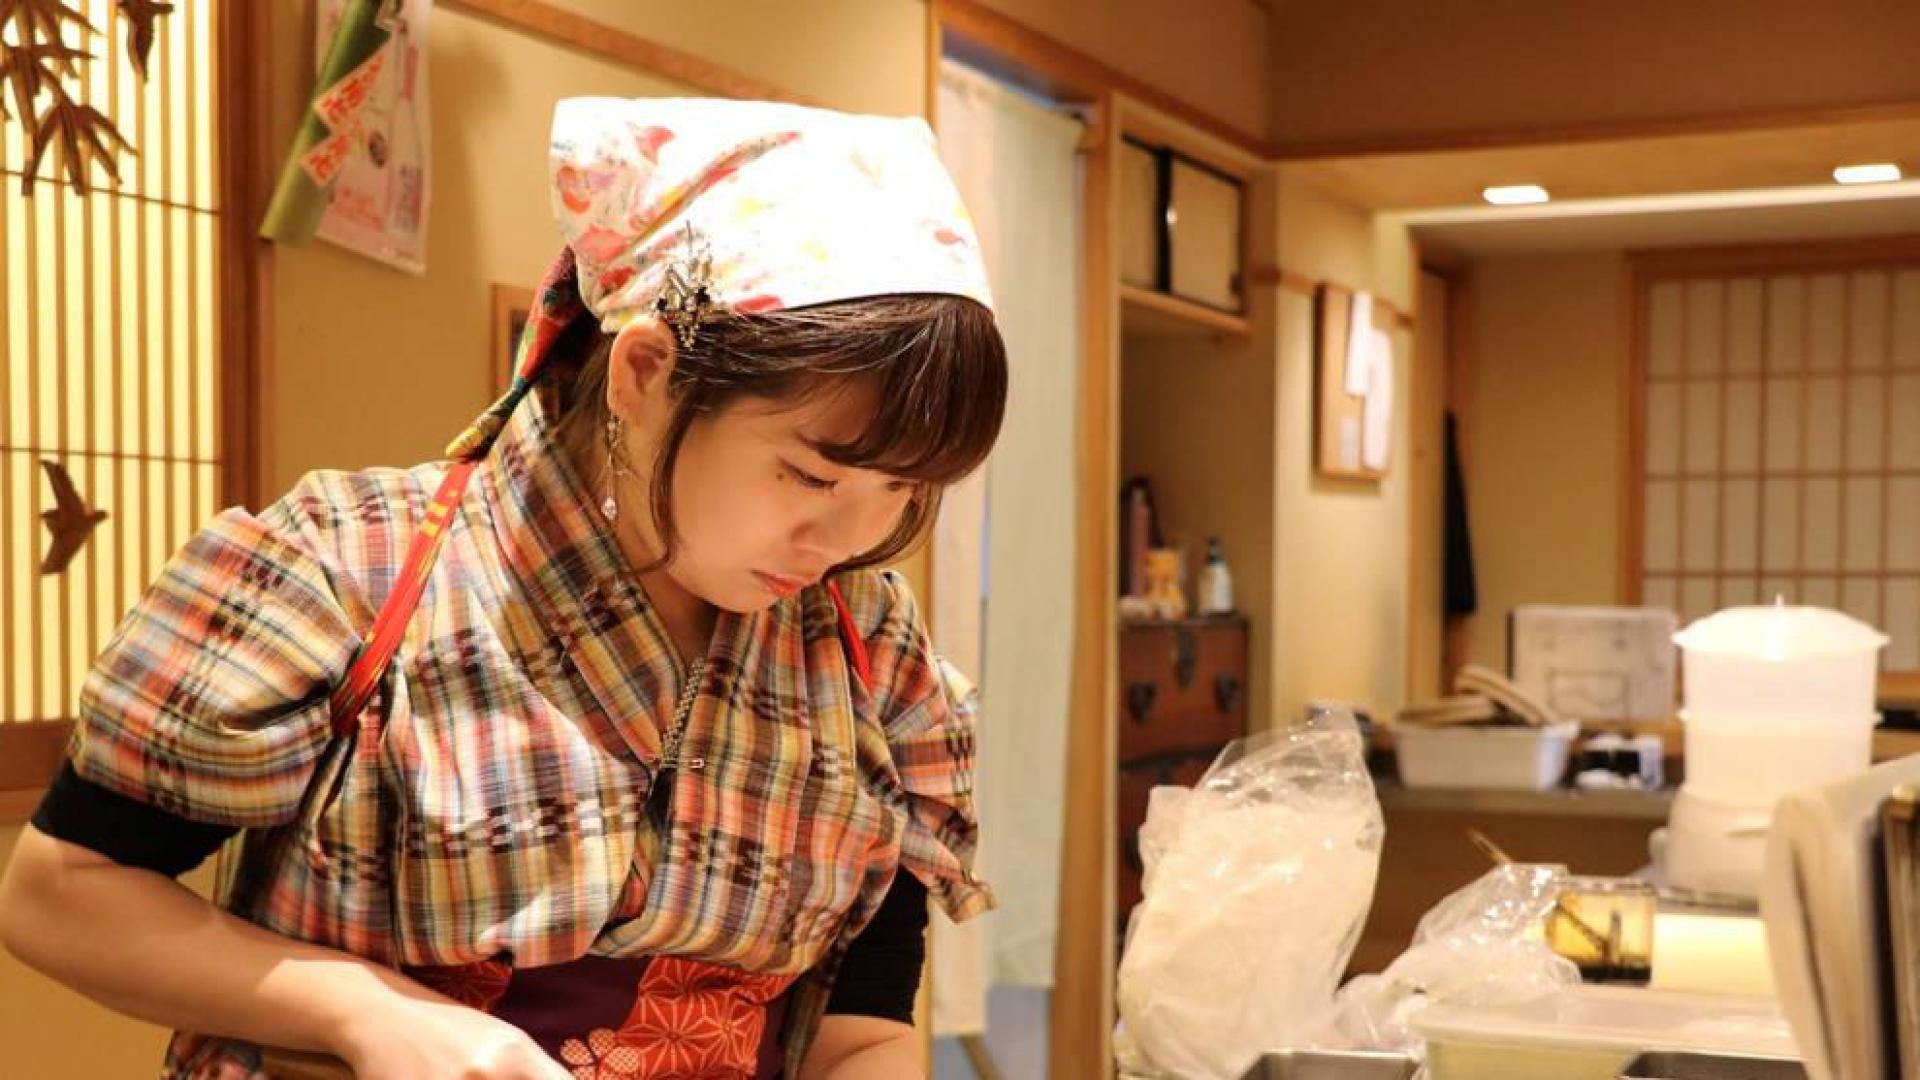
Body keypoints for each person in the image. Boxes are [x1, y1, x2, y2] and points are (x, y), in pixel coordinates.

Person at [0, 96, 1006, 1080]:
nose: (851, 538)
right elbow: (60, 894)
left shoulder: (869, 648)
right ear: (645, 373)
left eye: (904, 489)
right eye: (813, 475)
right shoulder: (352, 571)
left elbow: (860, 1032)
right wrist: (363, 1010)